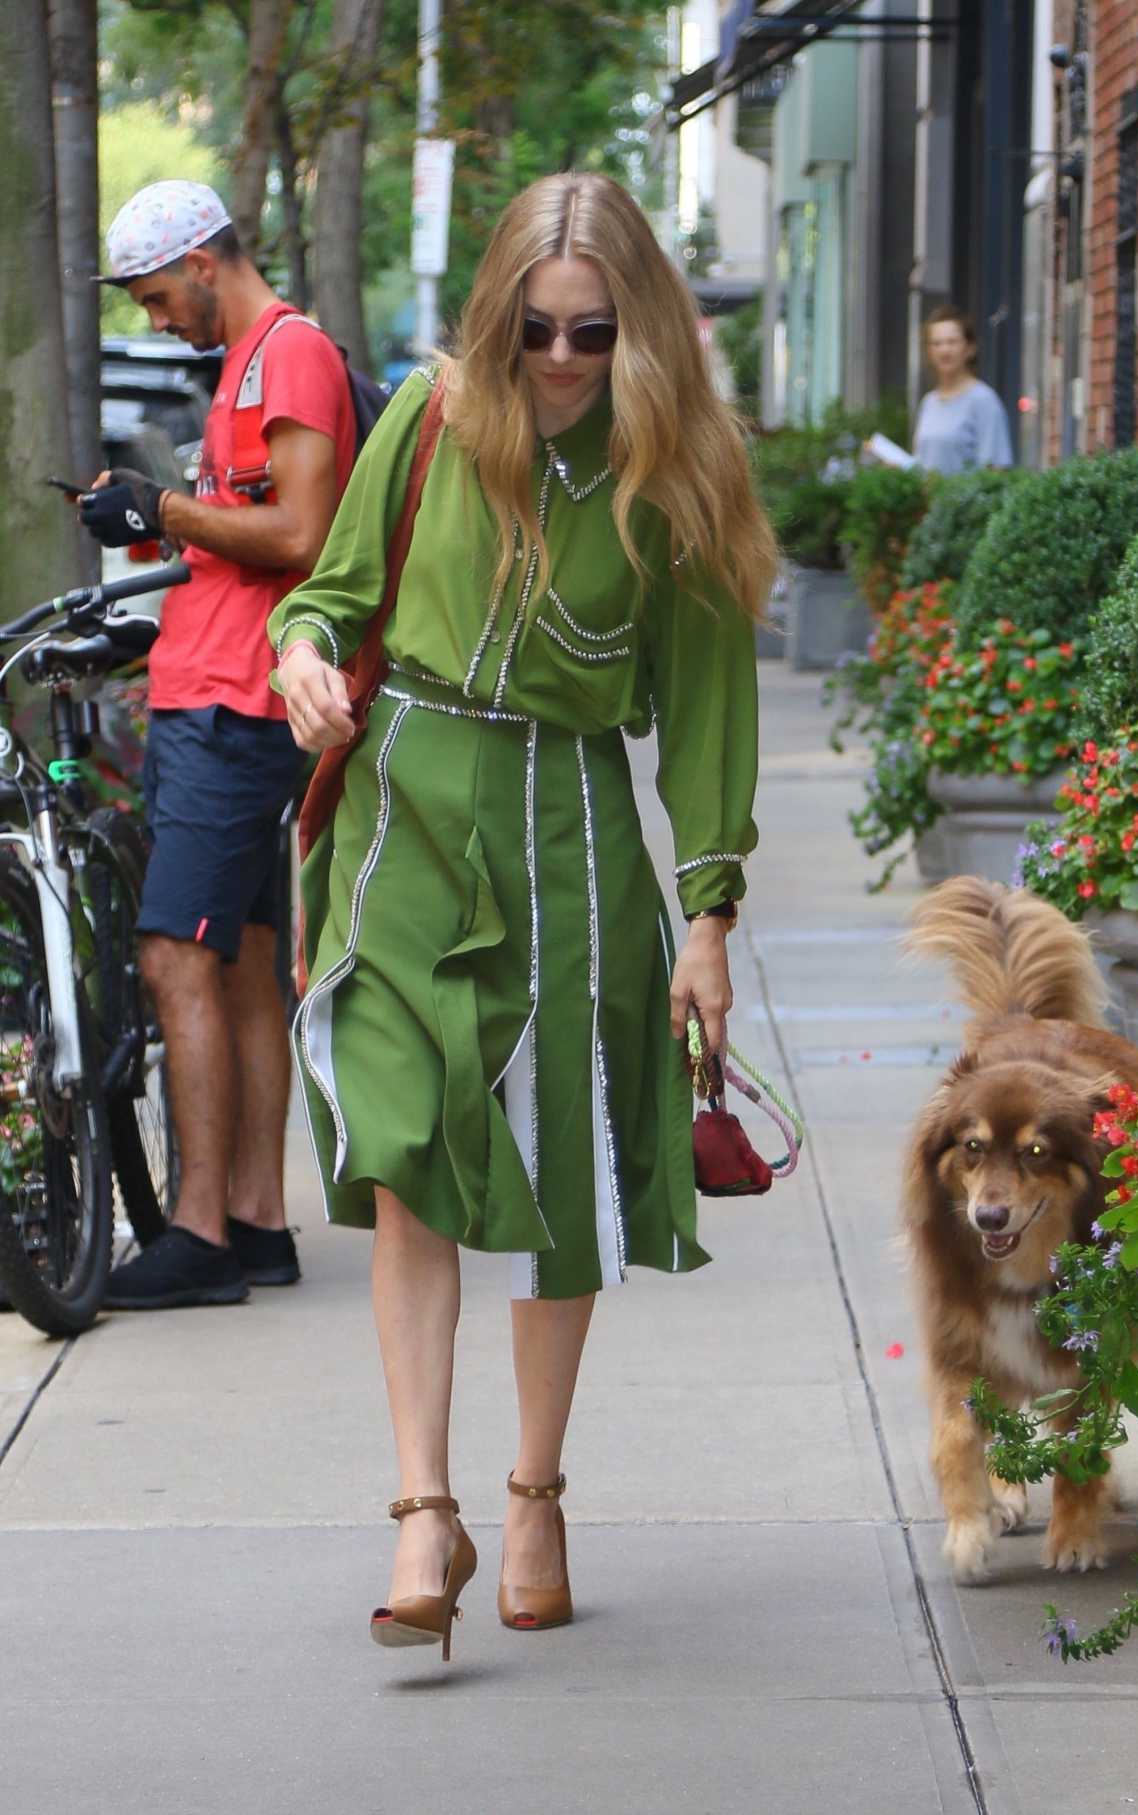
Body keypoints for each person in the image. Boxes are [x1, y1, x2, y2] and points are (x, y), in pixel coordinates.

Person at [269, 171, 778, 1657]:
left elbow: (700, 713)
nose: (559, 361)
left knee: (560, 1169)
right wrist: (303, 656)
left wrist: (705, 917)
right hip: (404, 808)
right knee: (407, 1141)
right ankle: (423, 1509)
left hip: (568, 828)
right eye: (536, 331)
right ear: (498, 315)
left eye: (593, 334)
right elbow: (329, 591)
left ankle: (535, 1488)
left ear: (641, 331)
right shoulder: (428, 420)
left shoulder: (673, 468)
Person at [82, 180, 357, 1309]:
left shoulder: (286, 355)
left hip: (232, 709)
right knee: (241, 964)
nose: (156, 322)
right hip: (225, 694)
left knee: (173, 956)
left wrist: (162, 510)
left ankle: (195, 1232)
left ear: (204, 261)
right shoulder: (246, 367)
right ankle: (255, 1222)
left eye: (156, 298)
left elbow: (302, 532)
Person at [911, 305, 1014, 474]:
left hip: (965, 500)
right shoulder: (929, 402)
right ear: (929, 351)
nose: (944, 350)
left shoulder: (984, 400)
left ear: (970, 348)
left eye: (952, 342)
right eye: (937, 343)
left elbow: (995, 470)